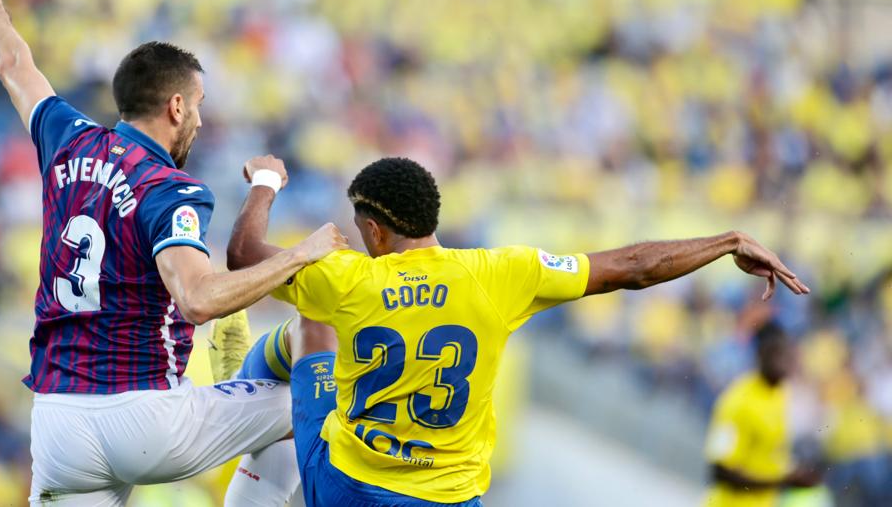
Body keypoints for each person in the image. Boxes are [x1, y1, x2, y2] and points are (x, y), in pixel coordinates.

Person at [0, 0, 348, 506]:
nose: (201, 123)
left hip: (56, 422)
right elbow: (197, 299)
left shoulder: (66, 139)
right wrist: (303, 252)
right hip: (144, 415)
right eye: (200, 107)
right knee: (300, 404)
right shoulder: (170, 189)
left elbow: (13, 63)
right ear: (177, 107)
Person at [224, 156, 810, 506]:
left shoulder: (346, 277)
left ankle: (251, 472)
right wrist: (726, 241)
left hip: (351, 488)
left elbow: (246, 254)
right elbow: (633, 268)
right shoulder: (504, 273)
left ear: (374, 232)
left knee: (313, 320)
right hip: (451, 497)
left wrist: (265, 183)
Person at [704, 322, 821, 507]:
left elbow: (767, 453)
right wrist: (783, 481)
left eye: (786, 352)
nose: (783, 359)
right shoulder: (737, 402)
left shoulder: (779, 393)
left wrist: (795, 472)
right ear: (760, 353)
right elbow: (720, 472)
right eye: (776, 352)